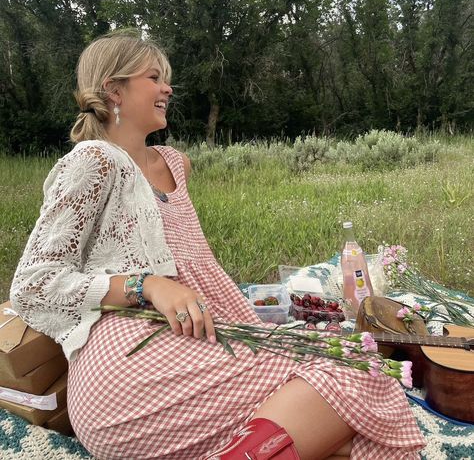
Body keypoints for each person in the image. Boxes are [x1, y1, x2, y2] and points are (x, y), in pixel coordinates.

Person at [10, 31, 425, 460]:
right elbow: (33, 284)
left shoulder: (174, 163)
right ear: (114, 89)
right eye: (154, 77)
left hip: (199, 340)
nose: (168, 88)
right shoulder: (93, 161)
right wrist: (146, 284)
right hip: (132, 365)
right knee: (358, 371)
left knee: (353, 392)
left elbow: (193, 262)